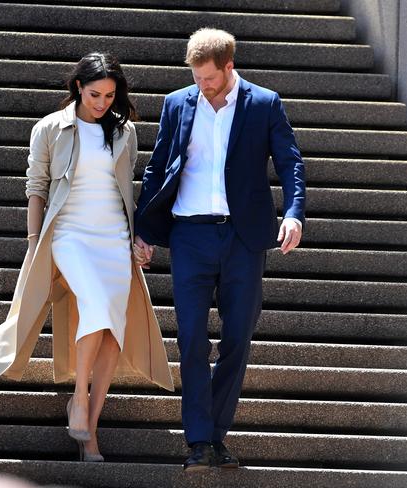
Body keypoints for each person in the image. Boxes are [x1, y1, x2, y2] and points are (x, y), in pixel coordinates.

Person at [0, 53, 174, 463]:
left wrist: (137, 238)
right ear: (78, 87)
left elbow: (125, 190)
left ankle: (89, 434)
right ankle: (77, 400)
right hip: (69, 233)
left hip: (113, 237)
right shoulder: (49, 127)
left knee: (113, 331)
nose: (102, 103)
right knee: (96, 308)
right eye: (95, 94)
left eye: (110, 95)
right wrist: (33, 242)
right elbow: (36, 186)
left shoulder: (124, 131)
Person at [133, 28, 306, 471]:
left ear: (229, 67)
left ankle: (215, 435)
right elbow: (157, 167)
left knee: (237, 338)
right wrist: (143, 230)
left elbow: (289, 160)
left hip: (243, 238)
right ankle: (198, 442)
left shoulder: (264, 103)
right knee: (191, 337)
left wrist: (293, 212)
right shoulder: (177, 103)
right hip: (190, 235)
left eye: (209, 78)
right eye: (196, 77)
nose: (202, 85)